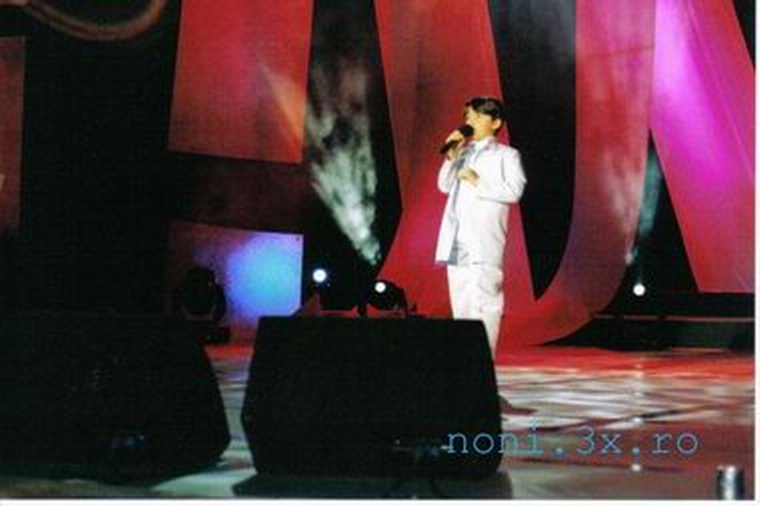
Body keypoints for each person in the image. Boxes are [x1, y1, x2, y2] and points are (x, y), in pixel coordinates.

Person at [435, 96, 526, 353]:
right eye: (468, 117)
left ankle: (484, 361)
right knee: (461, 301)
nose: (470, 121)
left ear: (495, 123)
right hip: (457, 237)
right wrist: (451, 157)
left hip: (484, 239)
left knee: (485, 302)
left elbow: (515, 191)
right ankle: (467, 363)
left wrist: (478, 180)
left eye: (477, 116)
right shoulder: (463, 152)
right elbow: (444, 186)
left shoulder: (507, 155)